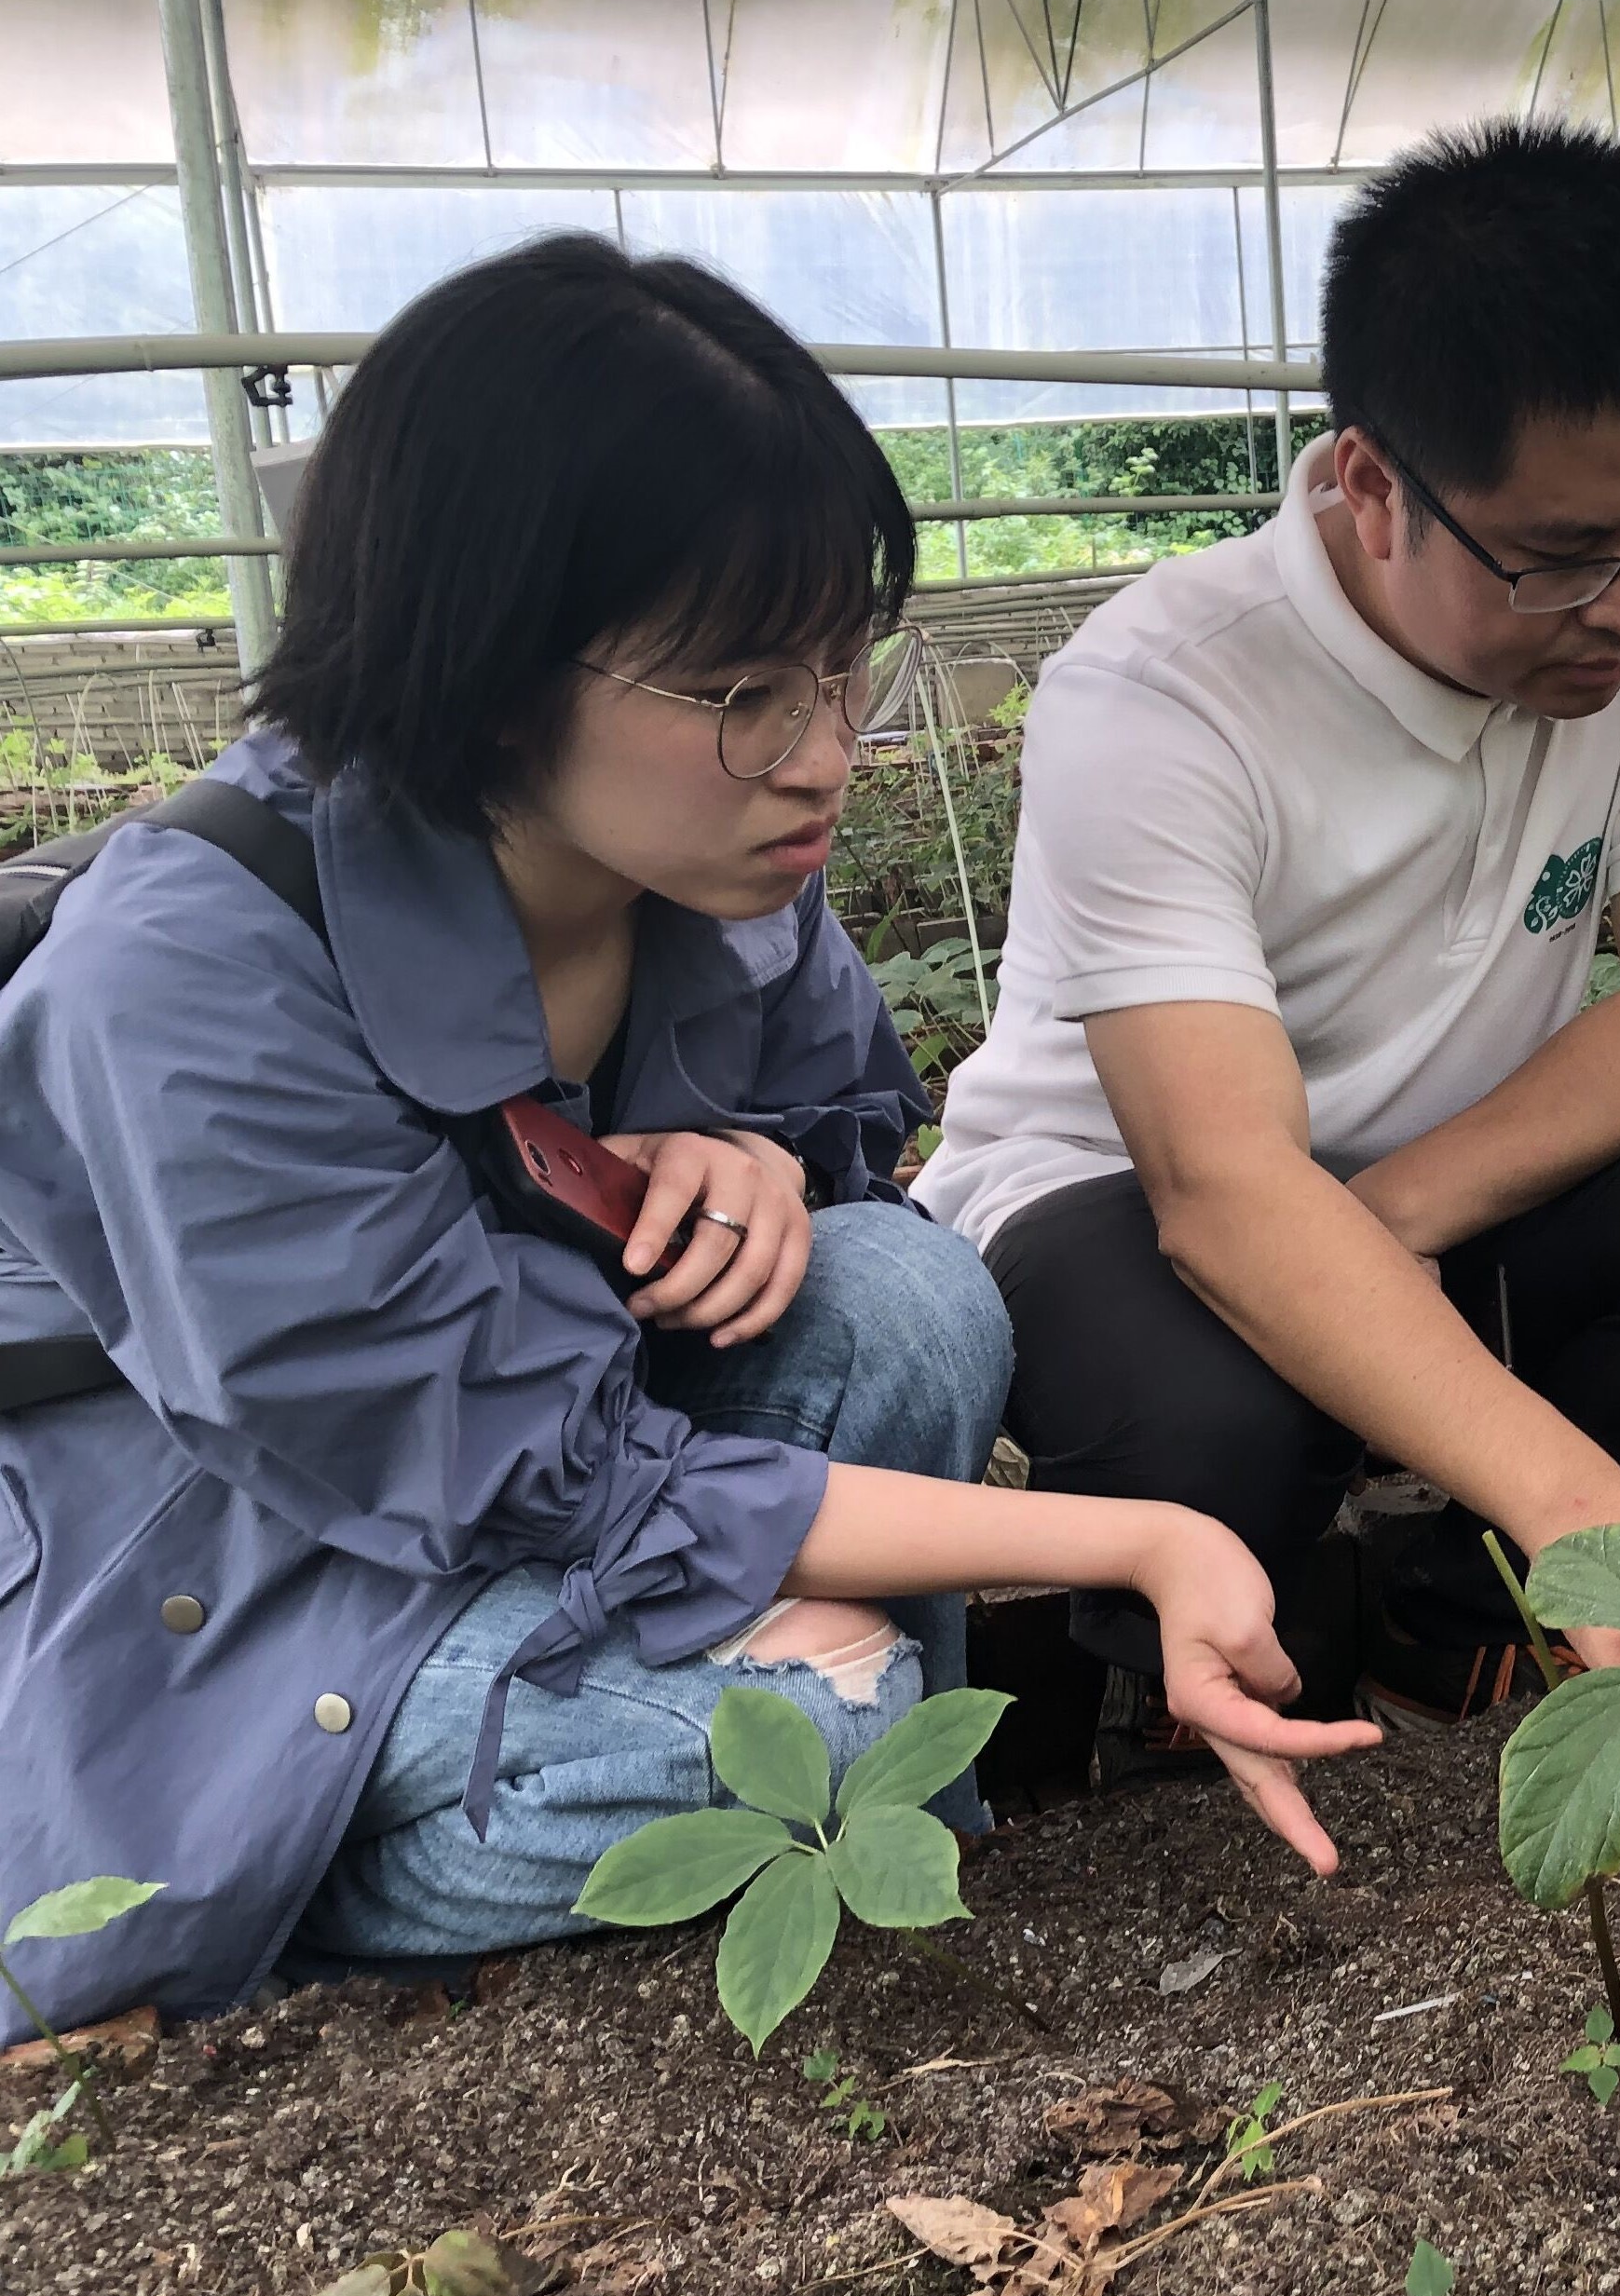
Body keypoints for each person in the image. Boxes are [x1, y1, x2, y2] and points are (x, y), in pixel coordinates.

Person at [0, 239, 1371, 2041]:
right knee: (825, 1733)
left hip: (555, 1480)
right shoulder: (189, 982)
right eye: (746, 693)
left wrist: (740, 1148)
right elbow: (523, 1471)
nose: (825, 754)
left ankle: (869, 1844)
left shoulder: (710, 872)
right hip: (243, 1583)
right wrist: (1134, 1539)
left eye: (841, 669)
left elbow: (853, 1121)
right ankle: (232, 1885)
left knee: (902, 1292)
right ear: (492, 670)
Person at [914, 122, 1620, 1749]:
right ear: (1377, 486)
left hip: (1444, 1170)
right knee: (1213, 1417)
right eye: (1559, 557)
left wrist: (1392, 1219)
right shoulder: (1159, 694)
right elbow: (1224, 1195)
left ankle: (1460, 1633)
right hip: (1116, 1194)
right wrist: (1583, 1501)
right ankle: (1228, 1703)